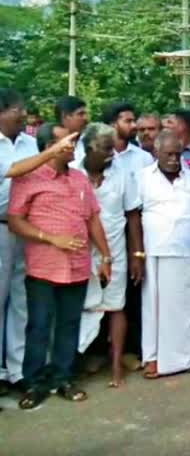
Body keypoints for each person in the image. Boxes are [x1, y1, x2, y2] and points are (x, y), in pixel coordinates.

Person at [8, 122, 111, 409]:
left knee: (69, 325)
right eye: (64, 143)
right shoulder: (28, 178)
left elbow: (92, 219)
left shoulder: (79, 179)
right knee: (39, 327)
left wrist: (105, 256)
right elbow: (16, 221)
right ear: (46, 148)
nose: (71, 148)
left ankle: (64, 378)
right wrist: (52, 238)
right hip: (43, 267)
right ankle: (34, 383)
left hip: (77, 266)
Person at [0, 90, 79, 393]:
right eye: (19, 109)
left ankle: (19, 372)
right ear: (3, 111)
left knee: (22, 301)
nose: (24, 114)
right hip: (2, 229)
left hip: (28, 230)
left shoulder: (28, 143)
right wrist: (53, 150)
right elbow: (14, 171)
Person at [74, 123, 142, 388]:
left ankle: (115, 369)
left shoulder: (122, 174)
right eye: (105, 149)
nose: (111, 154)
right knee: (80, 309)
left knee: (116, 307)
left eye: (112, 148)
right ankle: (76, 366)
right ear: (89, 148)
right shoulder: (73, 174)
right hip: (79, 253)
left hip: (116, 251)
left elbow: (133, 215)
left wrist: (137, 254)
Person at [138, 130, 190, 378]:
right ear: (156, 153)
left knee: (185, 308)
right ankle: (153, 358)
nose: (174, 159)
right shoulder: (144, 177)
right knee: (154, 308)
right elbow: (133, 215)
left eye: (177, 154)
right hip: (155, 252)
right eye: (168, 154)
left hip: (185, 252)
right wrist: (137, 253)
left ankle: (184, 359)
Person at [102, 102, 154, 175]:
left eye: (133, 121)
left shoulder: (144, 157)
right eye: (128, 121)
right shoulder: (99, 157)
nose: (134, 125)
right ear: (113, 124)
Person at [56, 96, 88, 162]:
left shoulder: (90, 141)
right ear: (65, 116)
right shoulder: (53, 145)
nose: (85, 118)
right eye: (80, 114)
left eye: (85, 114)